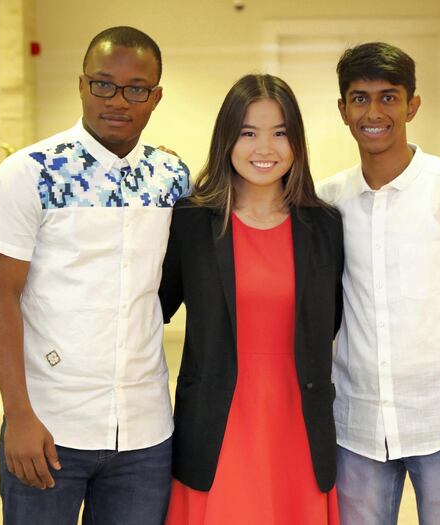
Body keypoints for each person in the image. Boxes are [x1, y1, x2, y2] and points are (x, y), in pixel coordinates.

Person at [0, 26, 189, 525]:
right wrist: (19, 417)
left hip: (144, 433)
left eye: (136, 88)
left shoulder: (171, 178)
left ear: (155, 97)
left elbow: (174, 283)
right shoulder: (30, 172)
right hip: (49, 427)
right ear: (81, 84)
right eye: (102, 84)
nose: (117, 100)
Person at [317, 42, 440, 525]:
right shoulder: (327, 200)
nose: (374, 112)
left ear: (412, 105)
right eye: (360, 98)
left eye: (389, 97)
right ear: (343, 109)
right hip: (357, 422)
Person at [159, 74, 344, 525]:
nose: (265, 148)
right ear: (226, 139)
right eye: (248, 133)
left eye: (280, 133)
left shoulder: (324, 226)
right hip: (216, 428)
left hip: (298, 427)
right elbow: (152, 311)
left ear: (296, 142)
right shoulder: (191, 222)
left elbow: (332, 320)